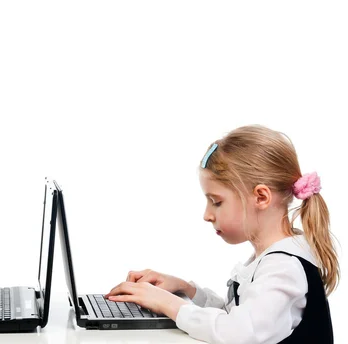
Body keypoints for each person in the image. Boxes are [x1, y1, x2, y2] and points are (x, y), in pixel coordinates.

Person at [107, 125, 338, 343]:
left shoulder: (283, 268)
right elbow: (237, 317)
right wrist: (186, 290)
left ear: (261, 197)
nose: (207, 215)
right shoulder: (273, 258)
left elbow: (239, 334)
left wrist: (168, 304)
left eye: (216, 202)